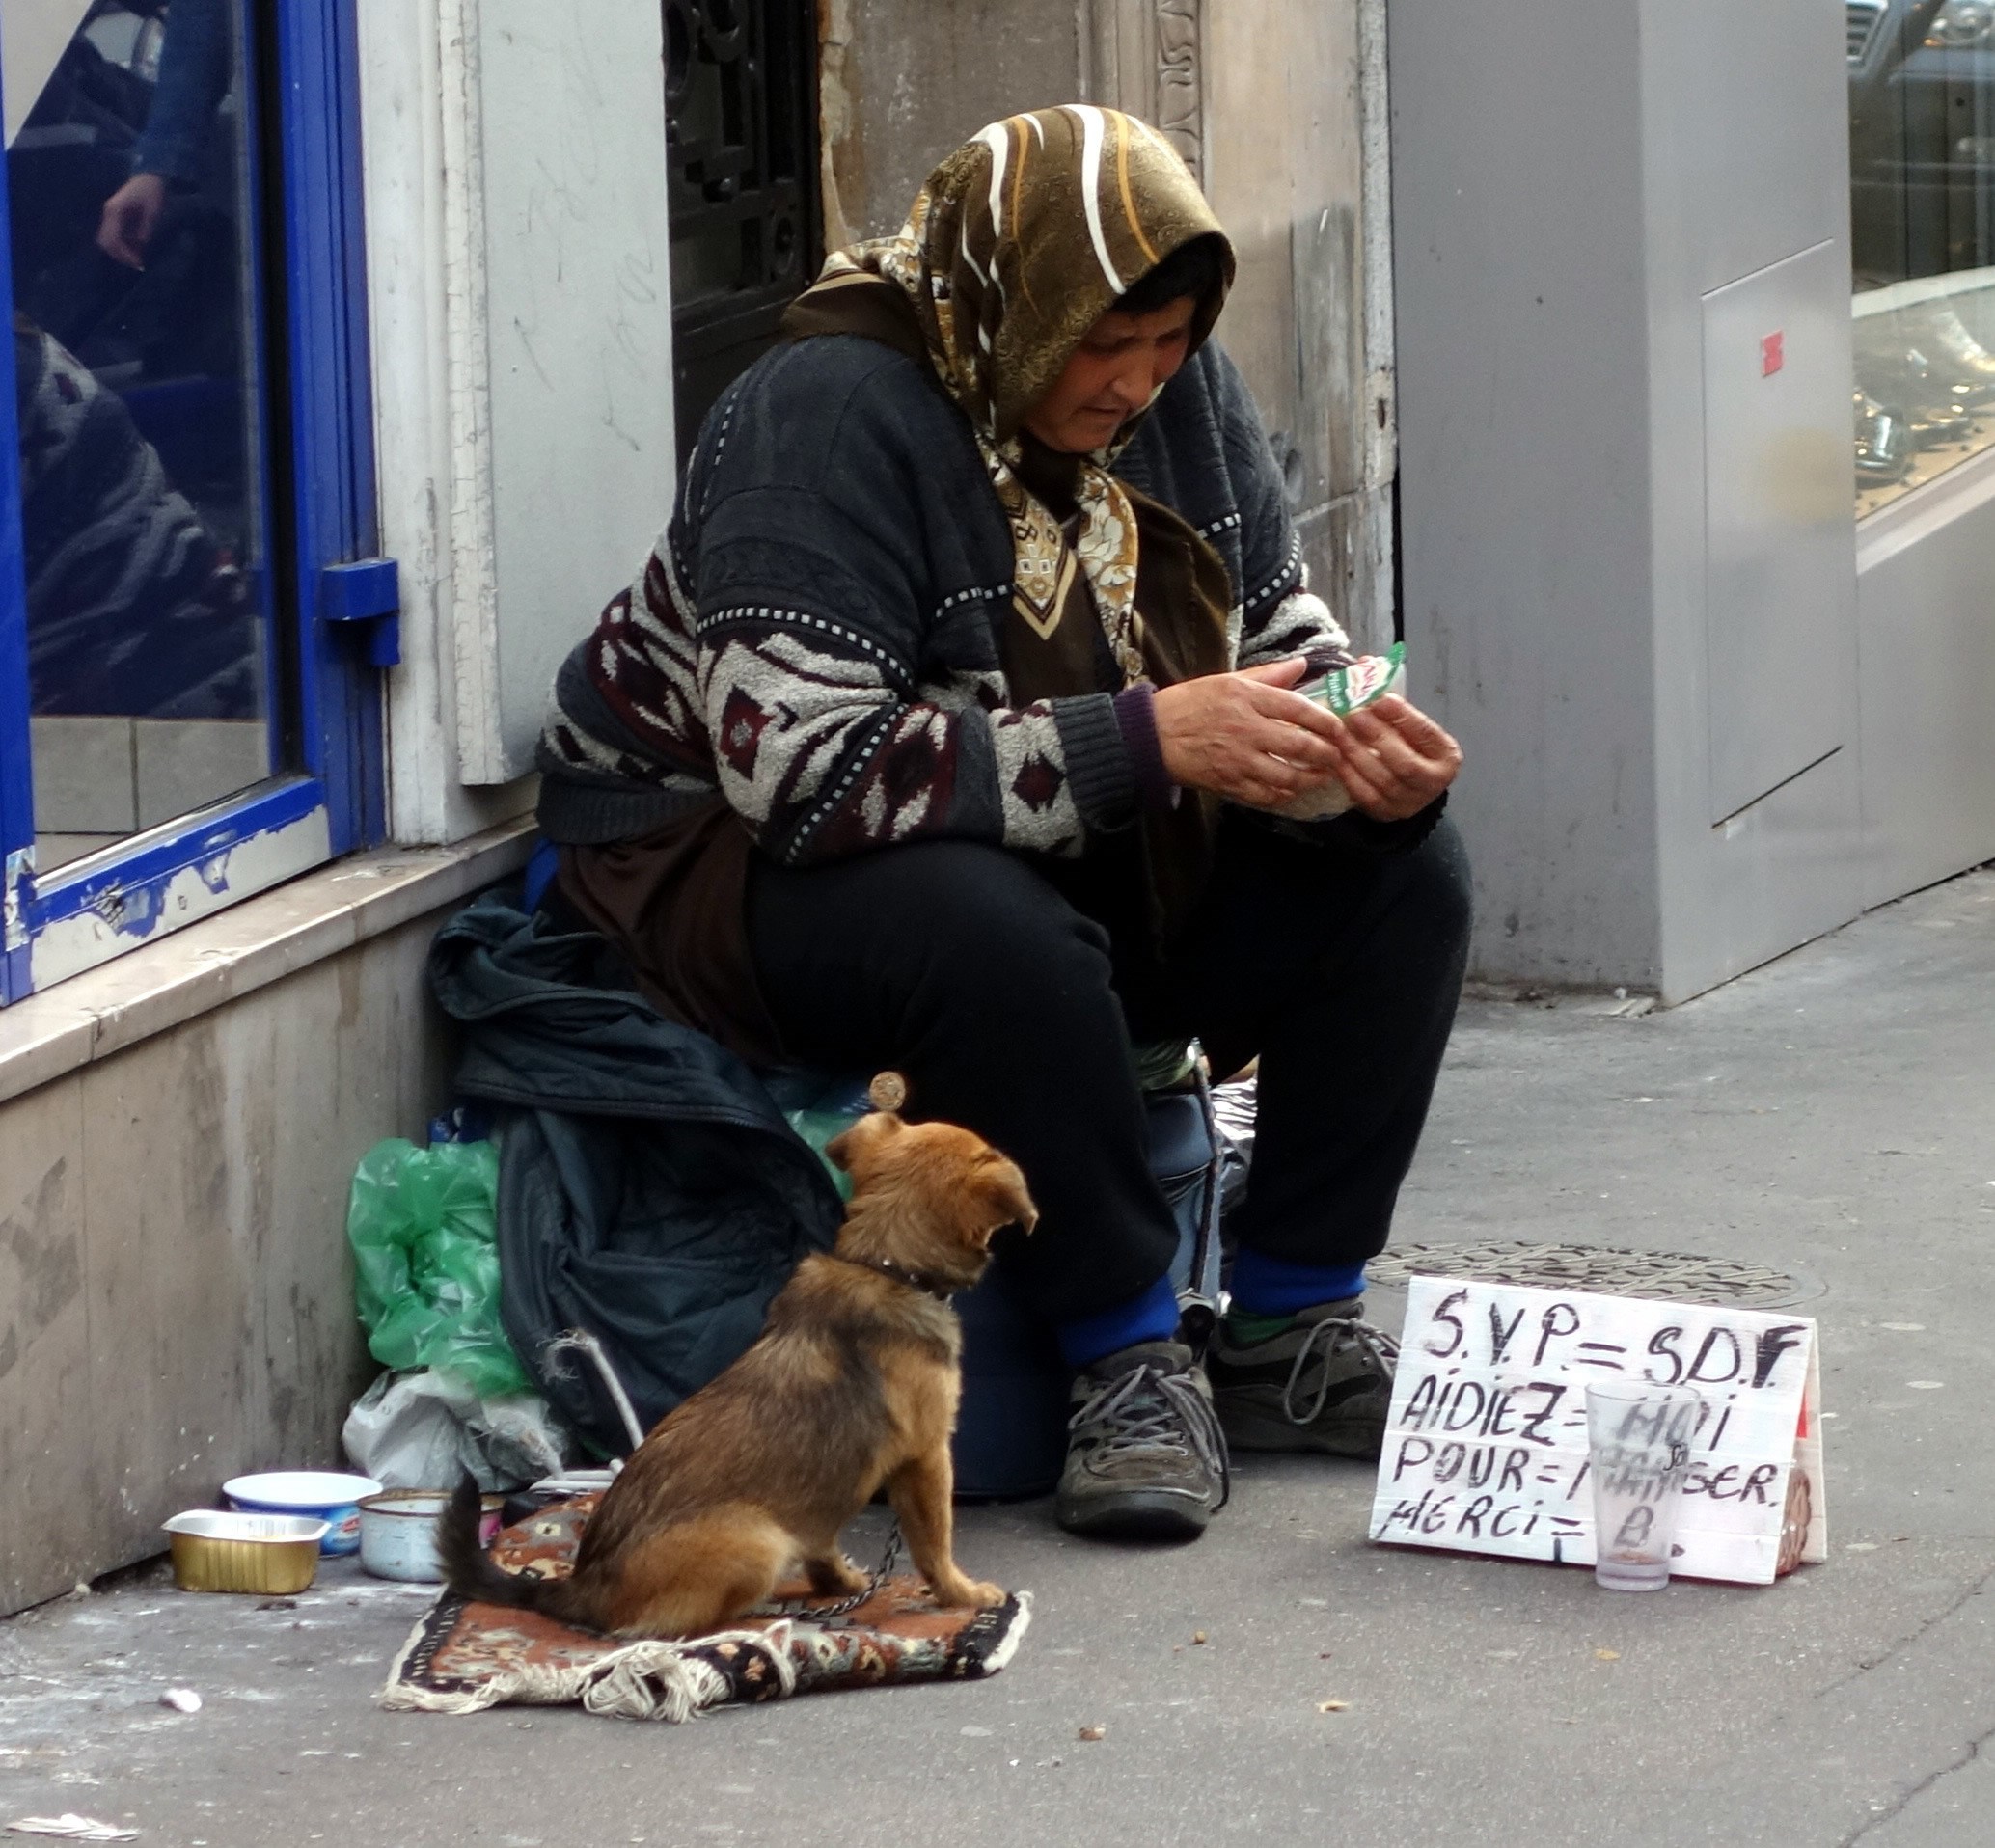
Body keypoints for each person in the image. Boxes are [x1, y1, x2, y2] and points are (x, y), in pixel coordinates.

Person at [534, 105, 1469, 1543]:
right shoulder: (825, 410)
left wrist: (1351, 753)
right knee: (989, 932)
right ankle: (1125, 1353)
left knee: (1406, 875)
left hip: (1079, 829)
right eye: (1104, 343)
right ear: (1011, 304)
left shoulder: (1182, 399)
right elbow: (802, 776)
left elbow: (1282, 631)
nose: (1137, 383)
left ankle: (1290, 1323)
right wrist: (1149, 737)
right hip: (722, 872)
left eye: (1168, 339)